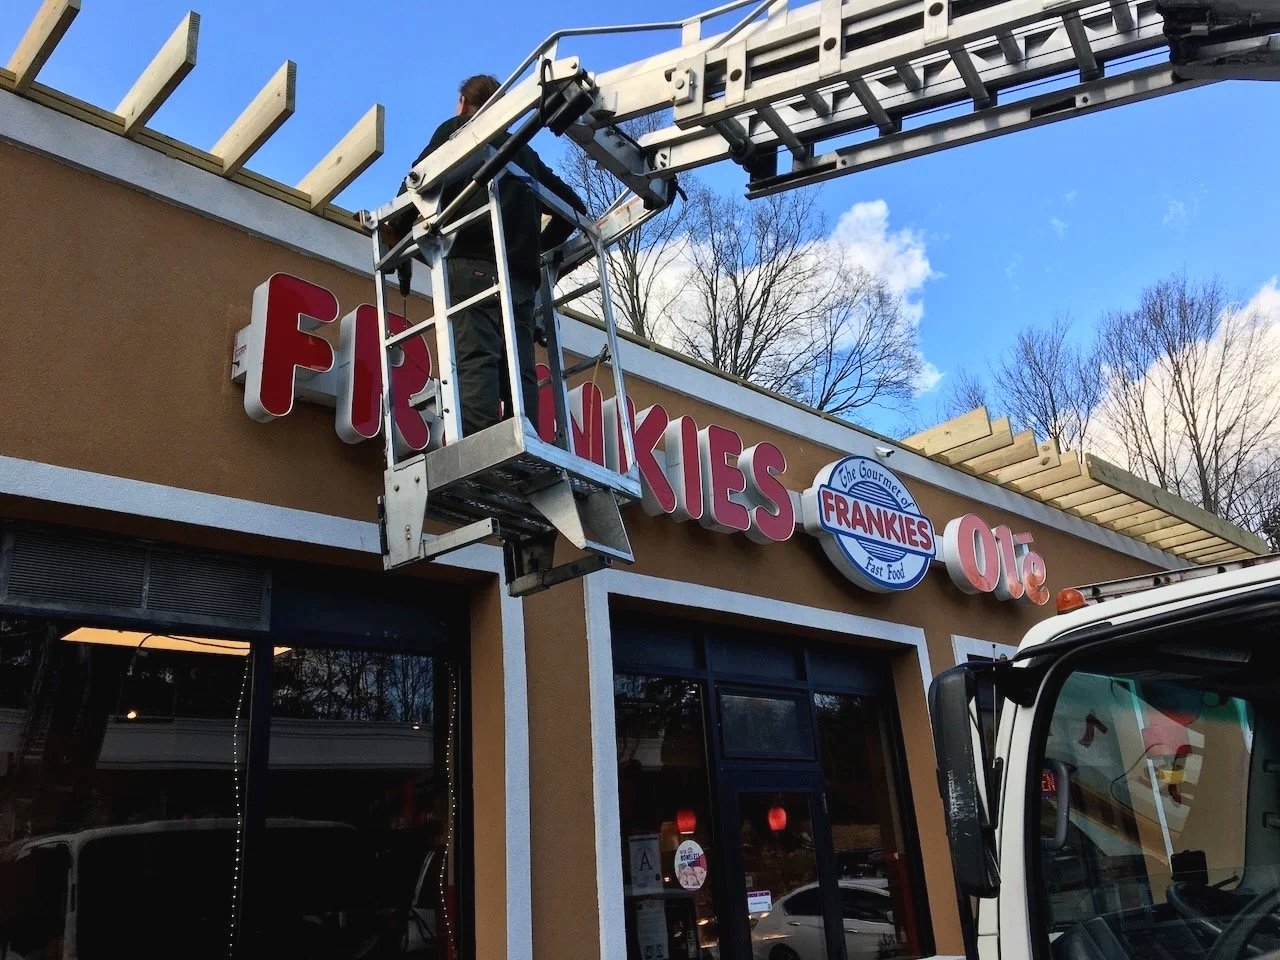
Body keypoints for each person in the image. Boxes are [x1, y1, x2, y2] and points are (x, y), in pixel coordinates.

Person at [393, 74, 588, 438]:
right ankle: (524, 437)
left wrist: (394, 235)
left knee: (476, 357)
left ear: (465, 104)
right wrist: (535, 248)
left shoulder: (458, 132)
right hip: (519, 281)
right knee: (519, 367)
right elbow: (573, 209)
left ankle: (481, 445)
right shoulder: (524, 151)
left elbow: (414, 185)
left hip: (474, 265)